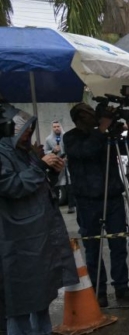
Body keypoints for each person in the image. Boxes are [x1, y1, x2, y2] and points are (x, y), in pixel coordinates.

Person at [0, 106, 78, 334]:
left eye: (30, 128)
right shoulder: (4, 153)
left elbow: (38, 186)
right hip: (17, 241)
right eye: (24, 129)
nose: (28, 133)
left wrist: (51, 171)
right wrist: (40, 166)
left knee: (40, 298)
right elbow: (11, 186)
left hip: (38, 236)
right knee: (20, 305)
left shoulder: (25, 152)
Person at [64, 103, 129, 308]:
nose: (93, 118)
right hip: (87, 200)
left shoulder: (104, 135)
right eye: (88, 115)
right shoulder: (71, 137)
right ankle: (99, 289)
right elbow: (86, 151)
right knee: (93, 247)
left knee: (118, 244)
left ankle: (122, 287)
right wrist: (102, 129)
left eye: (94, 114)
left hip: (113, 196)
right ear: (78, 119)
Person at [44, 120, 75, 213]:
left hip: (67, 163)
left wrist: (68, 156)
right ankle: (56, 206)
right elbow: (46, 151)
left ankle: (71, 206)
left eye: (58, 126)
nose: (57, 128)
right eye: (55, 127)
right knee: (56, 185)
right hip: (57, 164)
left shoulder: (67, 136)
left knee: (69, 184)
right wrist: (53, 151)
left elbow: (72, 148)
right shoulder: (48, 139)